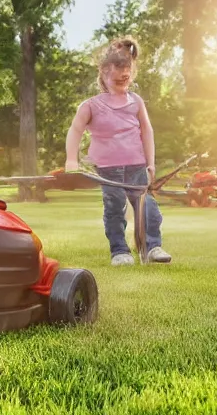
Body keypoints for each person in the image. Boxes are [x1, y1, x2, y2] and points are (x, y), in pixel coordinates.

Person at [64, 38, 172, 266]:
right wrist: (71, 160)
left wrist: (150, 163)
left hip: (136, 167)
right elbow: (75, 131)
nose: (126, 74)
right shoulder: (91, 105)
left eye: (129, 69)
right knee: (114, 209)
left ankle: (153, 247)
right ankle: (120, 252)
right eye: (120, 68)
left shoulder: (136, 102)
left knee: (148, 208)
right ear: (104, 70)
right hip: (107, 170)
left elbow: (147, 131)